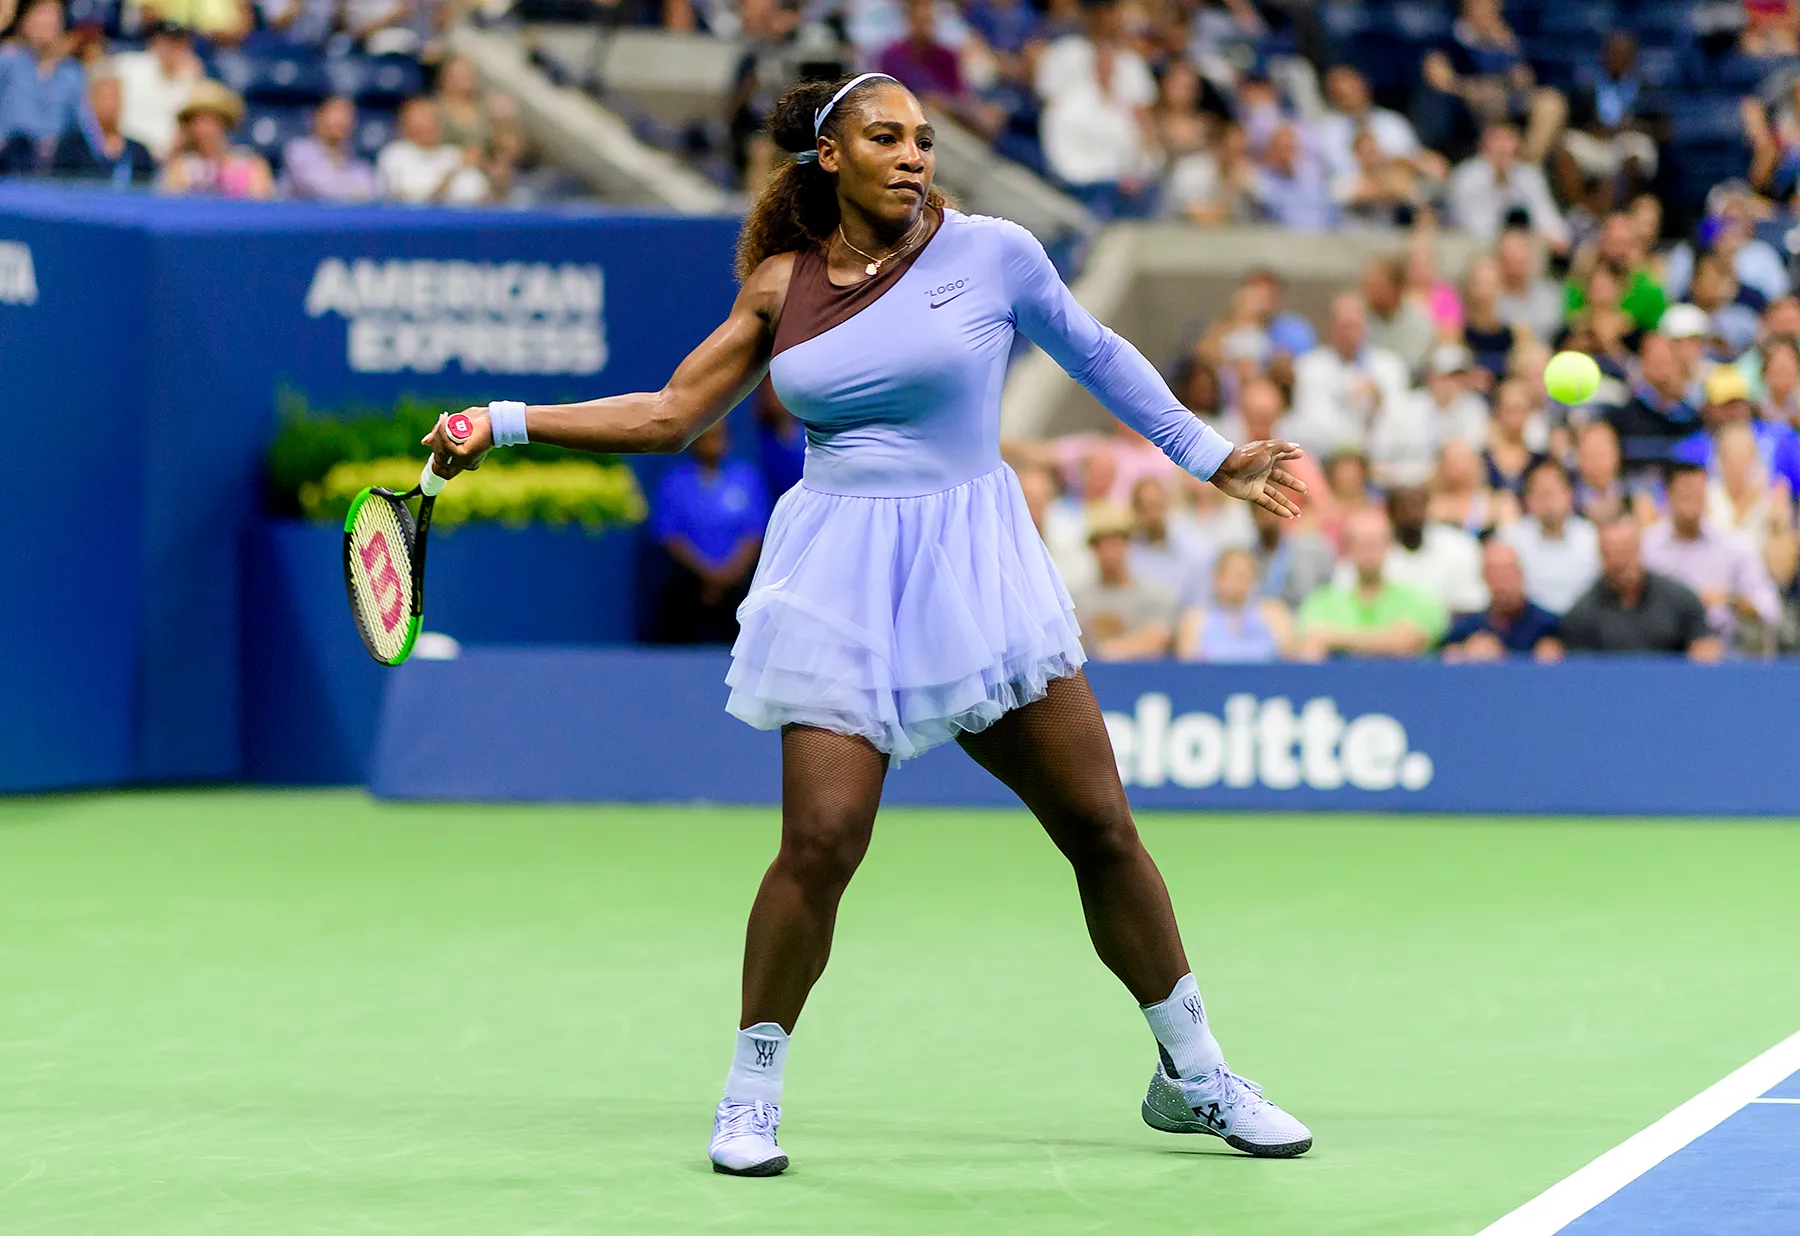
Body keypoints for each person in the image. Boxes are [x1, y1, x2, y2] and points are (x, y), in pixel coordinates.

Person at [422, 72, 1314, 1176]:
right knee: (821, 844)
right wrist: (501, 421)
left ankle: (1196, 1077)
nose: (913, 155)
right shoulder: (779, 286)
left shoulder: (993, 253)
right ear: (830, 156)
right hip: (840, 574)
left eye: (925, 140)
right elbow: (668, 413)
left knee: (1098, 828)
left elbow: (1095, 353)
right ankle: (750, 1096)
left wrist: (1207, 455)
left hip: (975, 567)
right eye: (885, 136)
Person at [651, 420, 771, 644]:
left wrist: (727, 576)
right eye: (707, 437)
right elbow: (670, 536)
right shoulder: (675, 482)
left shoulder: (747, 478)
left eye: (719, 436)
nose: (713, 443)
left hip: (738, 583)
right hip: (689, 583)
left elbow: (755, 532)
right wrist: (708, 575)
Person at [1641, 462, 1782, 650]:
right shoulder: (1646, 546)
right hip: (1662, 647)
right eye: (1685, 495)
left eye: (1699, 495)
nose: (1693, 503)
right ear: (1668, 495)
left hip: (1724, 651)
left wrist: (1731, 600)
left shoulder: (1734, 544)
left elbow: (1770, 607)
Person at [1297, 507, 1448, 659]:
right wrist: (1384, 639)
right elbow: (1311, 645)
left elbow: (1405, 642)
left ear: (1390, 545)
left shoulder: (1420, 599)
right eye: (1360, 543)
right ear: (1346, 547)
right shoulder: (1321, 602)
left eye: (1375, 542)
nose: (1369, 551)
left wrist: (1335, 639)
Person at [1561, 517, 1721, 659]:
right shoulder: (1582, 613)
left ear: (1640, 550)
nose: (1619, 563)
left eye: (1625, 552)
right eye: (1610, 554)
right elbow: (1580, 674)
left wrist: (1704, 653)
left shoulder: (1680, 600)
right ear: (1600, 556)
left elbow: (1702, 646)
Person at [1289, 293, 1411, 456]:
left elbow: (1401, 422)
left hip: (1381, 458)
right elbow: (1311, 424)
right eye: (1344, 326)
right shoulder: (1308, 367)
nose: (1349, 333)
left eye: (1355, 325)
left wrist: (1379, 403)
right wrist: (1347, 397)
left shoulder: (1390, 366)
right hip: (1329, 458)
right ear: (1331, 327)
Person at [1071, 506, 1178, 660]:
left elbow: (1157, 639)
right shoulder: (1075, 598)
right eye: (1101, 545)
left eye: (1115, 543)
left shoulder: (1156, 594)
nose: (1109, 553)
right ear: (1093, 549)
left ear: (1128, 545)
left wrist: (1106, 652)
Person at [1446, 122, 1569, 250]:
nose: (1502, 147)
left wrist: (1549, 236)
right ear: (1483, 143)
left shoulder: (1530, 175)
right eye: (1496, 140)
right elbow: (1473, 229)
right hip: (1473, 248)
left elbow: (1550, 221)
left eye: (1508, 139)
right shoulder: (1465, 177)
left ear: (1517, 144)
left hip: (1522, 248)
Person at [1498, 459, 1599, 615]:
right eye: (1541, 493)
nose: (1549, 501)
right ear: (1528, 500)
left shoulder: (1592, 537)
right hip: (1529, 624)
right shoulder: (1511, 539)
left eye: (1553, 492)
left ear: (1569, 495)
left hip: (1584, 622)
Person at [0, 0, 86, 174]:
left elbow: (84, 126)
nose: (48, 21)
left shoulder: (72, 73)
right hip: (8, 162)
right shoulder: (8, 60)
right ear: (24, 21)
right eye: (41, 13)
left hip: (53, 168)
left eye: (53, 14)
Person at [1374, 484, 1487, 615]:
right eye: (1403, 507)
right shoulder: (1374, 553)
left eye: (1417, 506)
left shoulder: (1459, 546)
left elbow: (1471, 602)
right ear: (1390, 513)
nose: (1412, 514)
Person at [1441, 540, 1561, 661]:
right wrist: (1464, 654)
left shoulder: (1547, 626)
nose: (1502, 581)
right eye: (1494, 573)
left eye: (1507, 571)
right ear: (1484, 577)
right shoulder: (1467, 628)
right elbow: (1448, 658)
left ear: (1520, 573)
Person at [159, 81, 274, 200]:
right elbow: (172, 205)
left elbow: (262, 205)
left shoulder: (251, 163)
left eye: (209, 120)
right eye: (196, 121)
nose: (203, 128)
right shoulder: (181, 167)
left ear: (224, 122)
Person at [1175, 547, 1293, 662]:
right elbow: (1189, 670)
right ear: (1216, 579)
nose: (1236, 582)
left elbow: (1290, 661)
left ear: (1255, 581)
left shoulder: (1273, 614)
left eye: (1243, 575)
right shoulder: (1196, 620)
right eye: (1230, 575)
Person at [50, 64, 156, 184]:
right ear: (91, 100)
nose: (112, 104)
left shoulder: (139, 153)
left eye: (116, 96)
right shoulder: (71, 148)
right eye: (106, 97)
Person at [112, 20, 200, 162]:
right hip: (128, 154)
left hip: (168, 159)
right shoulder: (130, 66)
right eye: (165, 41)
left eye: (177, 42)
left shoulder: (190, 78)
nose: (171, 48)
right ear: (154, 42)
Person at [376, 97, 489, 205]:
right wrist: (450, 176)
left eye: (433, 117)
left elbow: (477, 194)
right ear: (405, 125)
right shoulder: (395, 154)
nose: (428, 123)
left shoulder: (455, 154)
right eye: (421, 118)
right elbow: (410, 201)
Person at [282, 96, 378, 202]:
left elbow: (369, 191)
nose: (342, 119)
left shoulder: (360, 166)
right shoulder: (298, 151)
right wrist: (352, 191)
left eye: (348, 114)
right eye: (336, 112)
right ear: (317, 116)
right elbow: (316, 187)